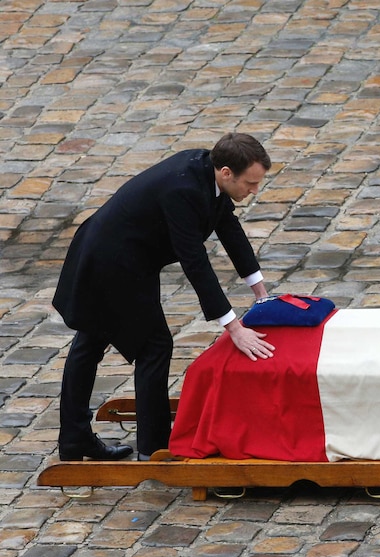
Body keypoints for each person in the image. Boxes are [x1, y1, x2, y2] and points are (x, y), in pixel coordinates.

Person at [52, 133, 277, 461]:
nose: (255, 191)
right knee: (153, 345)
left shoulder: (208, 173)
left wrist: (261, 293)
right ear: (227, 172)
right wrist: (234, 327)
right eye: (251, 183)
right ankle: (154, 448)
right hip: (112, 261)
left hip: (123, 255)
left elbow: (227, 227)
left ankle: (74, 439)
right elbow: (194, 260)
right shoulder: (183, 190)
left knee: (90, 342)